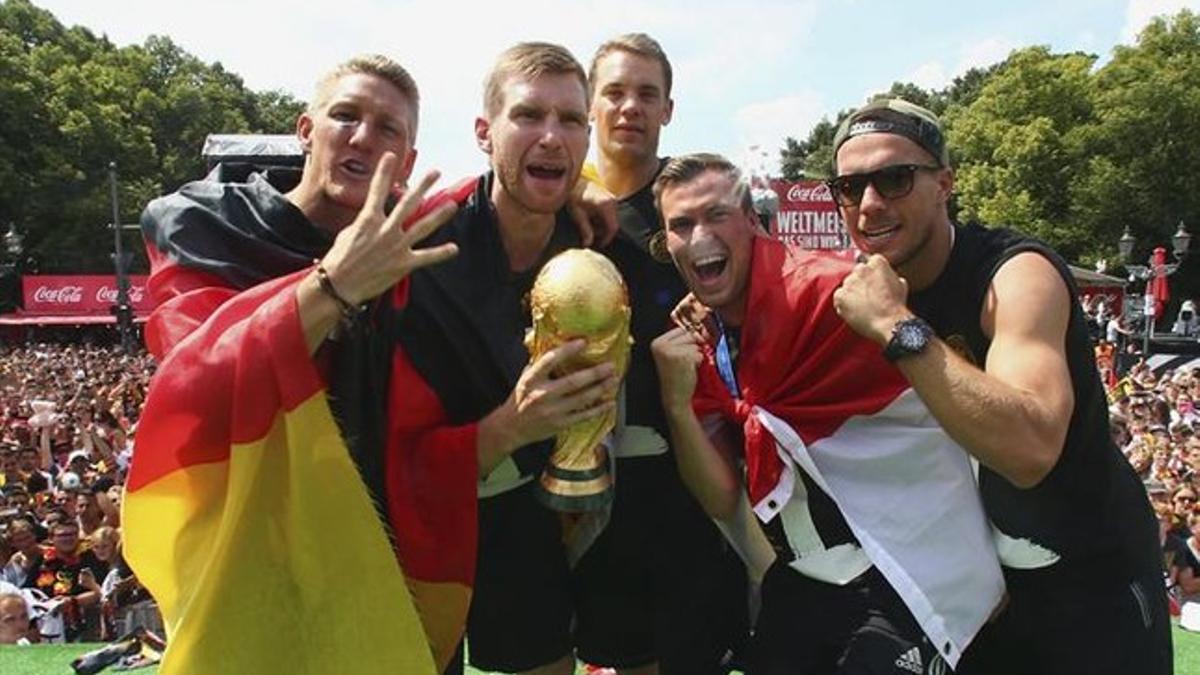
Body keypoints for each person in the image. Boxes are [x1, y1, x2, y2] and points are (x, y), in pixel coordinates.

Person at [128, 53, 607, 674]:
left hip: (378, 554)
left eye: (389, 130)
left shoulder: (406, 237)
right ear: (305, 130)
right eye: (346, 116)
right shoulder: (209, 226)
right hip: (249, 546)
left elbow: (496, 188)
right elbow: (194, 386)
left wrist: (584, 180)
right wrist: (330, 288)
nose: (363, 137)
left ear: (406, 162)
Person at [827, 98, 1171, 674]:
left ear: (945, 184)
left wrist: (896, 327)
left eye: (894, 178)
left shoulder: (1016, 273)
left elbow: (1030, 449)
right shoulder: (863, 290)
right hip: (981, 587)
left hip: (1091, 573)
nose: (869, 204)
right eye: (849, 187)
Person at [650, 153, 1003, 674]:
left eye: (716, 214)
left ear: (752, 221)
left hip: (908, 576)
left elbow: (952, 401)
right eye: (681, 224)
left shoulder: (831, 292)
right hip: (804, 583)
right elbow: (722, 498)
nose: (699, 234)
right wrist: (676, 405)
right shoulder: (700, 339)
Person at [391, 42, 620, 675]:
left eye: (572, 121)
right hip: (412, 532)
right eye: (529, 116)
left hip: (528, 525)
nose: (552, 137)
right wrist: (509, 427)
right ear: (484, 133)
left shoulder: (595, 242)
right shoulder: (411, 248)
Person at [573, 33, 749, 674]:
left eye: (647, 94)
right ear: (590, 105)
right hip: (586, 478)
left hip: (694, 476)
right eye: (614, 92)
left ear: (669, 108)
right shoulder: (552, 204)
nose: (630, 108)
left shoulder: (693, 208)